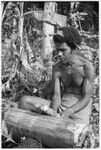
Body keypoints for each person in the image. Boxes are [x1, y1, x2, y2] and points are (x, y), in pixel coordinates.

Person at [19, 27, 95, 127]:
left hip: (79, 112)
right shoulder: (57, 67)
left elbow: (86, 98)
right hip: (61, 108)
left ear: (74, 49)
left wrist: (69, 111)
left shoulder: (87, 67)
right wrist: (53, 111)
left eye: (63, 50)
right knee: (24, 101)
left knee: (71, 130)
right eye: (57, 50)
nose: (59, 54)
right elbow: (56, 96)